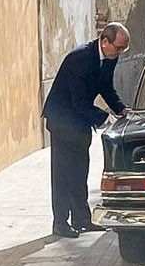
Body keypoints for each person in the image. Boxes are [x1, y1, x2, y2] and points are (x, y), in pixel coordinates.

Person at [42, 23, 129, 238]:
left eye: (123, 49)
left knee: (80, 172)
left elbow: (106, 87)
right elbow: (78, 101)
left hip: (79, 123)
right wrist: (105, 118)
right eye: (118, 48)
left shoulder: (109, 57)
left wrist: (121, 109)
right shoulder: (79, 58)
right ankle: (60, 223)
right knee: (63, 175)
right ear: (105, 41)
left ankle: (82, 219)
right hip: (62, 119)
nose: (120, 53)